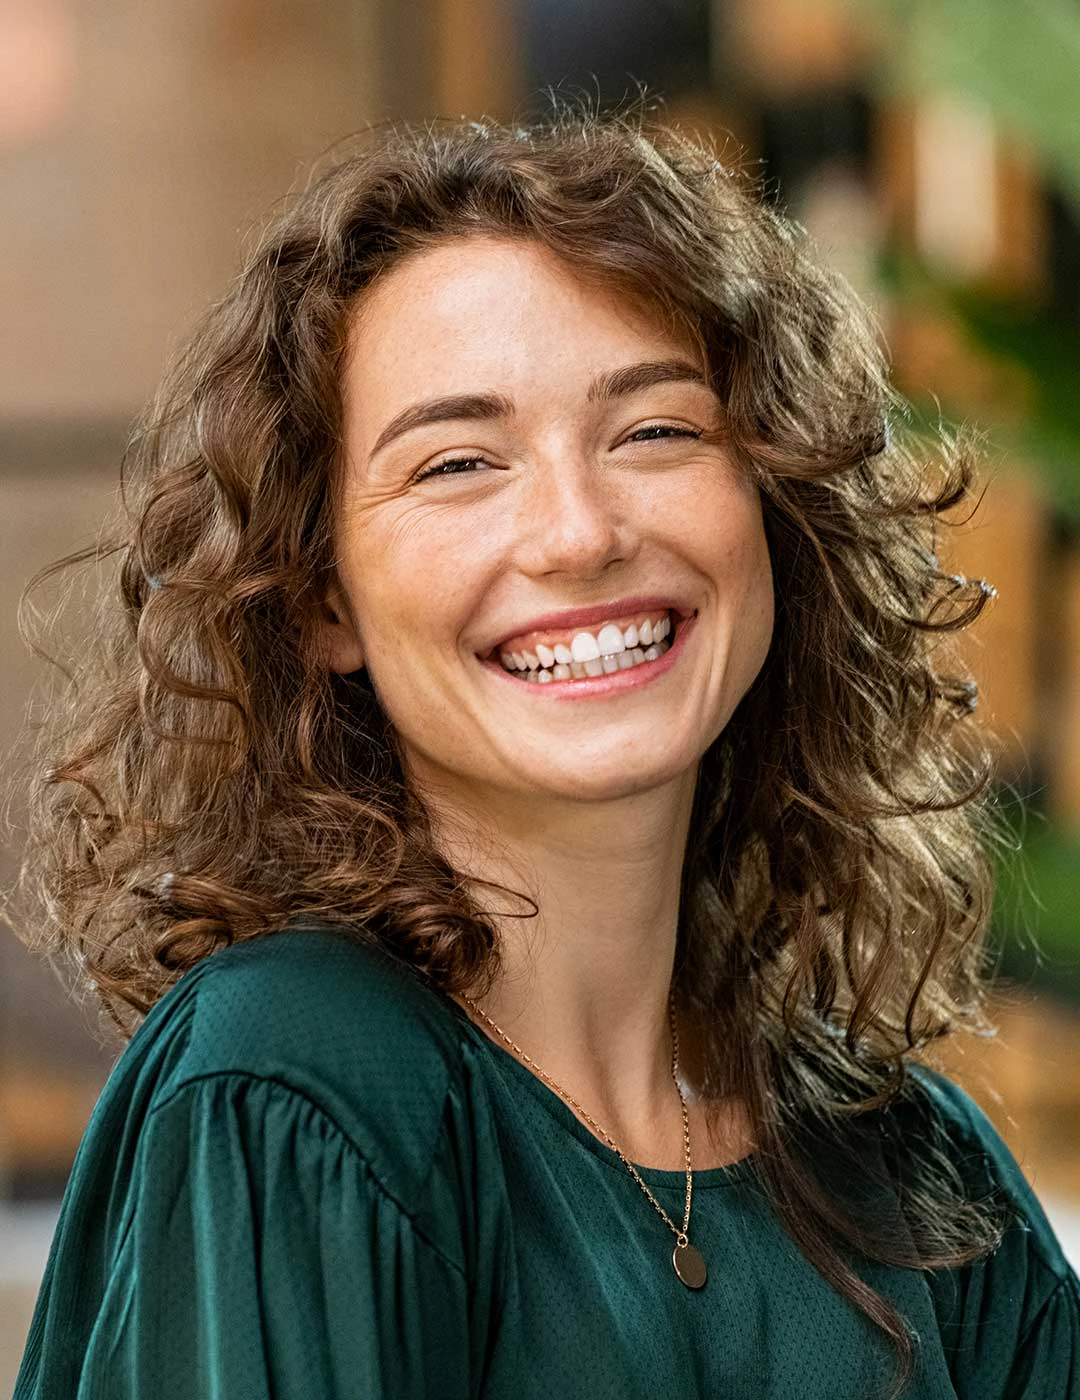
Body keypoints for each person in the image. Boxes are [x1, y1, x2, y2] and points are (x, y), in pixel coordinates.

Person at [11, 108, 1080, 1400]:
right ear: (322, 601)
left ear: (774, 512)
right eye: (459, 463)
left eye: (655, 431)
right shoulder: (295, 1086)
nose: (578, 533)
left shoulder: (919, 1176)